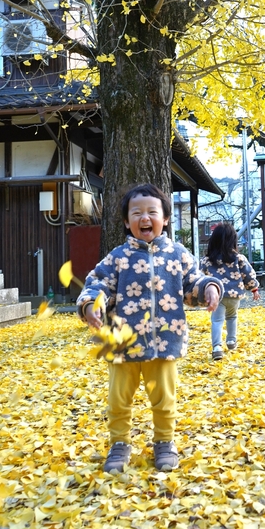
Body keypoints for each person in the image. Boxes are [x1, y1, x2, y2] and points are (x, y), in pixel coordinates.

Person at [77, 183, 223, 473]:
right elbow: (97, 284)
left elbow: (193, 281)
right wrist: (91, 304)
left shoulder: (178, 254)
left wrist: (209, 288)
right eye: (136, 213)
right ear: (126, 221)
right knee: (118, 399)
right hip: (121, 341)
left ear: (165, 218)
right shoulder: (117, 257)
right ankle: (119, 444)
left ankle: (164, 442)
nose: (145, 218)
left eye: (152, 212)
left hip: (165, 341)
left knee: (164, 398)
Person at [200, 222, 260, 360]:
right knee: (232, 317)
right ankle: (231, 340)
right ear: (233, 240)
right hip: (234, 295)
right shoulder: (238, 258)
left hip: (216, 295)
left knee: (217, 320)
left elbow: (199, 277)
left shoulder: (207, 260)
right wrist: (254, 289)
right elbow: (248, 275)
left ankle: (217, 347)